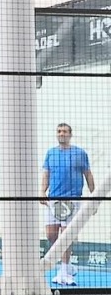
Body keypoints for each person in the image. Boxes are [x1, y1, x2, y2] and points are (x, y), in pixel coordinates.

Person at [40, 122, 95, 285]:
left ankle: (64, 271)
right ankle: (68, 265)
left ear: (70, 134)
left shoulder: (80, 153)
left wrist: (95, 198)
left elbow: (88, 175)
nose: (61, 134)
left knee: (66, 235)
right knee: (51, 235)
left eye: (64, 131)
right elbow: (46, 174)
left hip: (72, 200)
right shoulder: (50, 153)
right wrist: (42, 191)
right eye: (59, 131)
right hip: (53, 200)